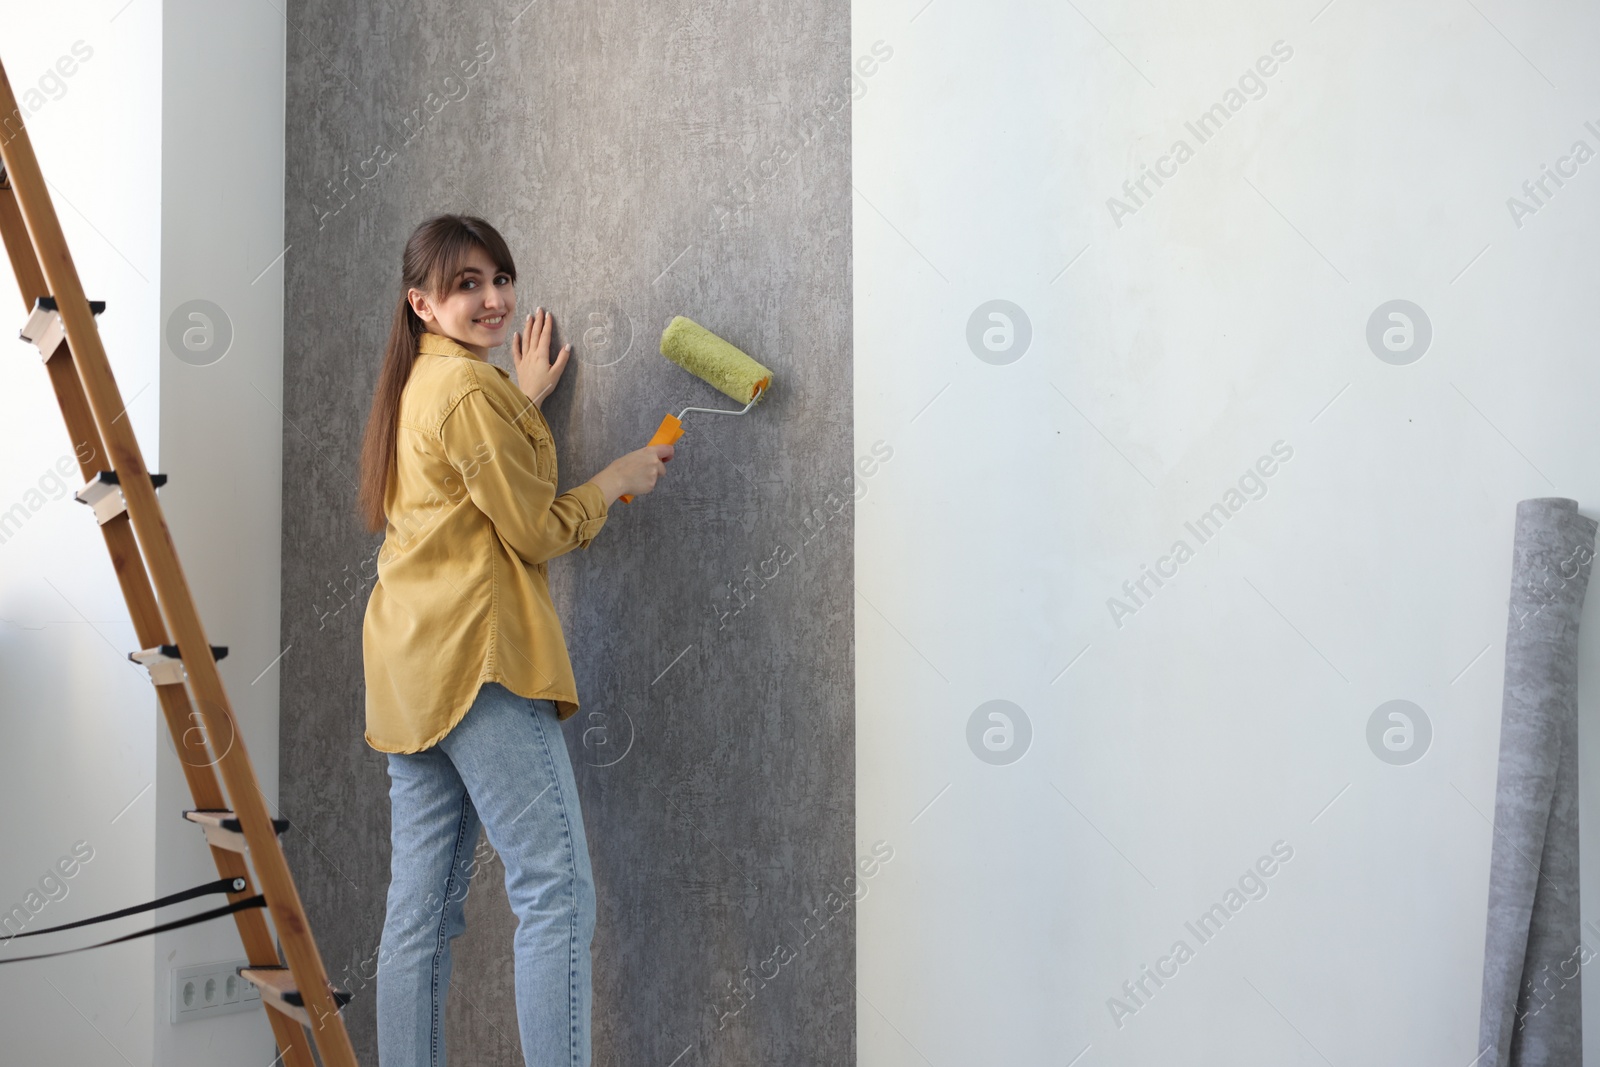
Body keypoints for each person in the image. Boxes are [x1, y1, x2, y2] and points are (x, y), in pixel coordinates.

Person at [355, 213, 671, 1066]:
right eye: (467, 286)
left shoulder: (428, 386)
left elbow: (469, 484)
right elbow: (530, 530)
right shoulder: (467, 393)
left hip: (411, 673)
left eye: (500, 278)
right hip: (478, 663)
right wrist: (615, 479)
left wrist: (521, 398)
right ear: (422, 302)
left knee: (418, 916)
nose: (493, 299)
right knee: (555, 890)